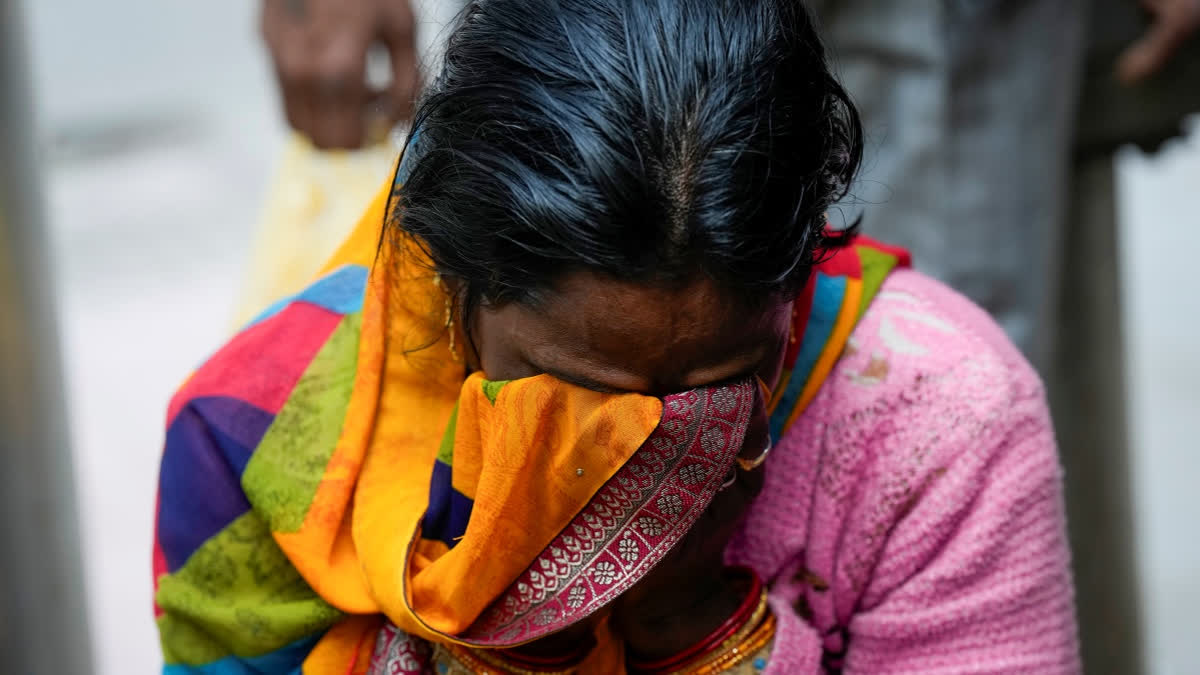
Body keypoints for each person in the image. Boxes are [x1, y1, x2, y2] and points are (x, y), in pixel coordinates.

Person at [154, 1, 1079, 672]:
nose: (640, 449)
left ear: (793, 291)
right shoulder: (253, 439)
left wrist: (691, 617)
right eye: (574, 388)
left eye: (713, 386)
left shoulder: (937, 420)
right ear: (452, 288)